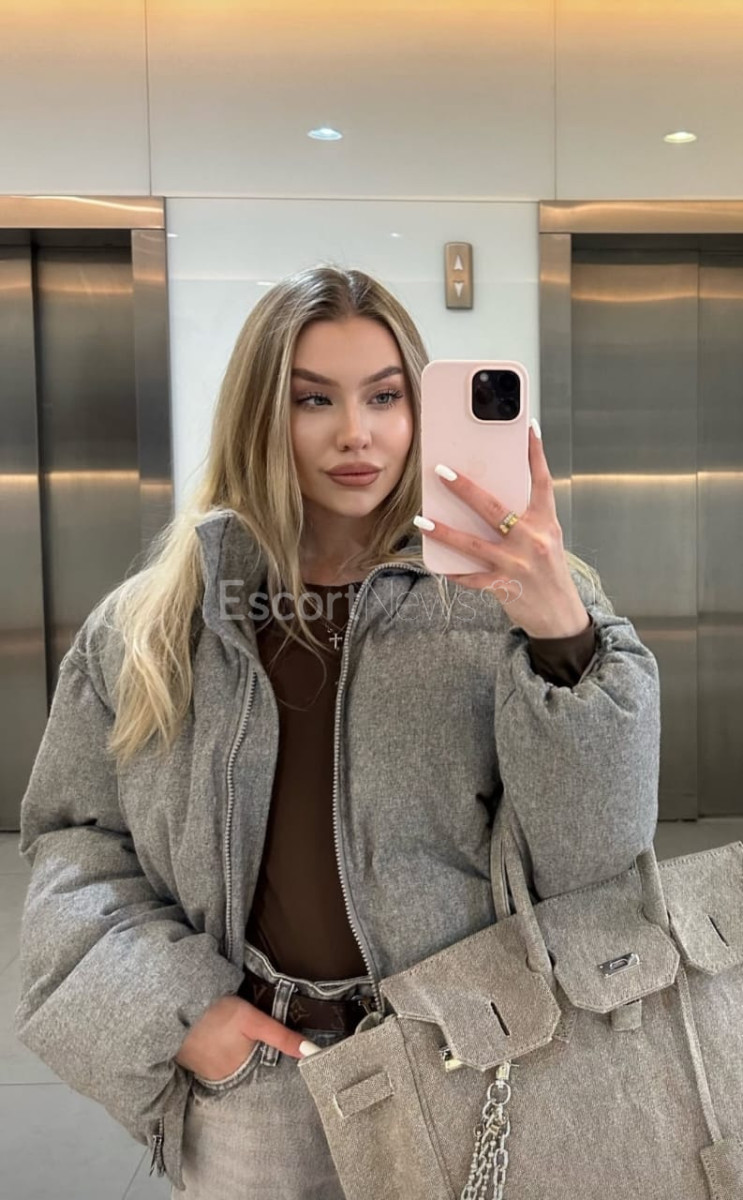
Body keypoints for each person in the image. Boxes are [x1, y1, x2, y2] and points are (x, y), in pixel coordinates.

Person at [14, 265, 660, 1198]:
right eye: (312, 398)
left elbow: (593, 861)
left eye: (385, 397)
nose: (355, 432)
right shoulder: (154, 626)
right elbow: (76, 845)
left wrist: (561, 633)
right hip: (254, 1083)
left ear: (421, 410)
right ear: (257, 415)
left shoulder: (508, 607)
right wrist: (184, 1014)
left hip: (468, 1064)